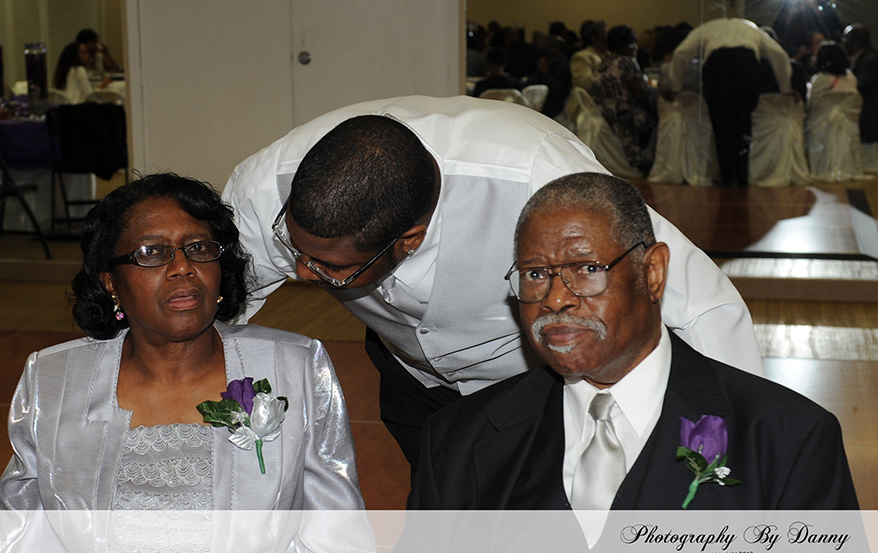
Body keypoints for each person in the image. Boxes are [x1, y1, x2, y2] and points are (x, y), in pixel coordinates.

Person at [383, 172, 873, 553]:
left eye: (586, 269)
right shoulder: (458, 439)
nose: (555, 298)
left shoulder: (787, 440)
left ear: (652, 272)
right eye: (535, 274)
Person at [223, 95, 764, 470]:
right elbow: (217, 305)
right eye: (296, 249)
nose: (302, 273)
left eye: (333, 269)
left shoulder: (539, 179)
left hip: (534, 379)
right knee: (444, 520)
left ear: (410, 240)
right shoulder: (268, 191)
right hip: (409, 378)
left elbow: (701, 306)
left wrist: (735, 448)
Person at [0, 173, 371, 553]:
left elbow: (337, 551)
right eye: (152, 252)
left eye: (198, 248)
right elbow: (28, 545)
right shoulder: (53, 378)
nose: (182, 267)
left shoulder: (292, 367)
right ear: (111, 282)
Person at [668, 18, 794, 186]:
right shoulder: (751, 28)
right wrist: (785, 87)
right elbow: (779, 55)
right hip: (746, 64)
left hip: (718, 65)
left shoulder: (708, 27)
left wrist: (675, 85)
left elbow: (681, 53)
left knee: (721, 123)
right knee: (743, 121)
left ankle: (727, 175)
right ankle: (742, 175)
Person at [590, 25, 658, 174]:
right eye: (632, 44)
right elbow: (639, 95)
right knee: (658, 118)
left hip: (606, 113)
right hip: (625, 115)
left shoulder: (604, 62)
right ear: (625, 45)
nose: (635, 48)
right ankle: (648, 164)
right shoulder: (627, 63)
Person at [843, 25, 878, 152]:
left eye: (846, 38)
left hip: (869, 117)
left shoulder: (869, 60)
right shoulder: (862, 57)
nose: (844, 42)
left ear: (856, 41)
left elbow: (858, 87)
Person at [570, 20, 608, 91]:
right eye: (604, 36)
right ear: (594, 39)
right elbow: (585, 84)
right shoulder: (582, 57)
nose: (608, 39)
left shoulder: (610, 55)